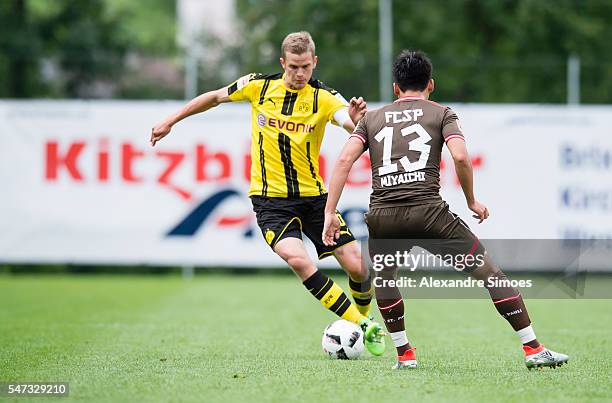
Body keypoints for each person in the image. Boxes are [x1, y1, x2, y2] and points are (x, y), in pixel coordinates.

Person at [322, 50, 569, 369]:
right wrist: (471, 201)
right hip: (429, 213)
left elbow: (343, 160)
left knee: (385, 279)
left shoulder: (371, 118)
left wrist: (330, 212)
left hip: (383, 217)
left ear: (395, 87)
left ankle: (405, 355)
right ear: (431, 84)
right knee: (491, 274)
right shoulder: (441, 113)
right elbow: (462, 157)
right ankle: (533, 348)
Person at [151, 31, 384, 355]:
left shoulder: (324, 97)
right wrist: (171, 120)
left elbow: (347, 118)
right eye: (293, 67)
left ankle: (363, 319)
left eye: (305, 67)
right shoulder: (258, 86)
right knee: (298, 259)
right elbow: (215, 97)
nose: (300, 74)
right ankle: (362, 325)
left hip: (314, 199)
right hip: (270, 201)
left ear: (314, 62)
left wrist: (356, 122)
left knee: (358, 265)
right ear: (282, 63)